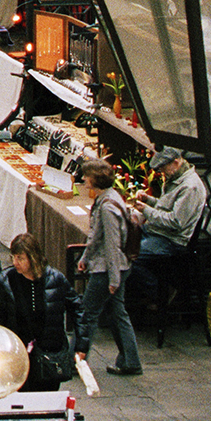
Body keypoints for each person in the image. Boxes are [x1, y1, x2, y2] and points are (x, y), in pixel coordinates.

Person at [70, 157, 141, 376]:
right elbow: (97, 237)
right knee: (117, 312)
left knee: (87, 314)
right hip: (115, 266)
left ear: (95, 180)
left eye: (87, 176)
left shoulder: (107, 207)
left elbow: (111, 244)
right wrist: (85, 257)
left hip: (109, 268)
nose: (84, 180)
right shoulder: (109, 198)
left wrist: (113, 279)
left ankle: (74, 359)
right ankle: (130, 360)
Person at [125, 146, 210, 323]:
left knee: (129, 257)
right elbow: (166, 207)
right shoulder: (174, 178)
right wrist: (149, 200)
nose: (162, 172)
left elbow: (175, 222)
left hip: (171, 240)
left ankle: (161, 293)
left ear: (176, 163)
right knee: (121, 243)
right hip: (157, 231)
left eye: (164, 168)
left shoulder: (190, 187)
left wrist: (147, 211)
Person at [0, 232, 75, 391]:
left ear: (32, 258)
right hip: (17, 358)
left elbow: (78, 307)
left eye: (20, 258)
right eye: (13, 257)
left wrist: (81, 345)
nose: (15, 262)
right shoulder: (5, 281)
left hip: (48, 358)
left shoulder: (56, 279)